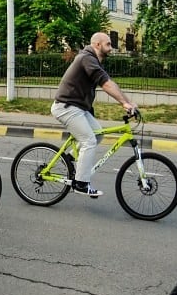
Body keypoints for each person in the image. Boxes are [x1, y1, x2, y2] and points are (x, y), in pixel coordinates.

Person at [52, 32, 138, 198]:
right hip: (66, 106)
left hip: (78, 108)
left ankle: (69, 159)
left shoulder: (94, 60)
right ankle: (81, 184)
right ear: (97, 45)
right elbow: (105, 84)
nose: (111, 48)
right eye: (108, 44)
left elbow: (111, 83)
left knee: (97, 135)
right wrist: (124, 103)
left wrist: (129, 102)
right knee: (89, 140)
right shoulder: (87, 58)